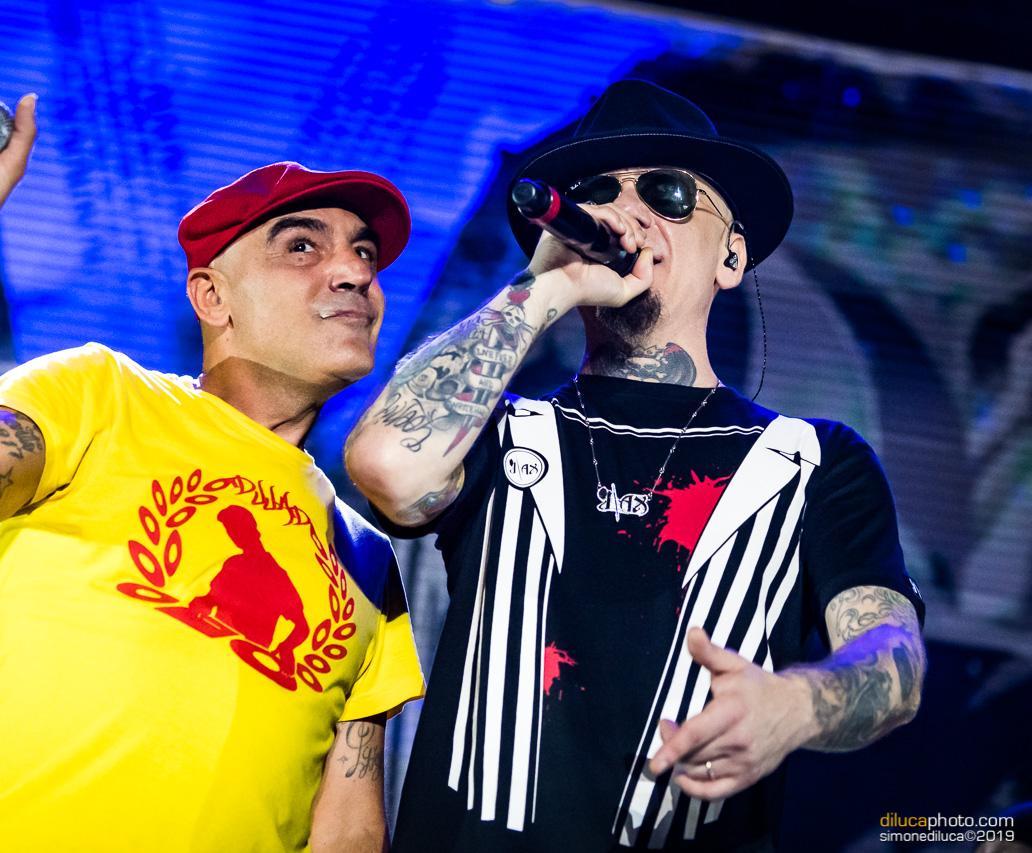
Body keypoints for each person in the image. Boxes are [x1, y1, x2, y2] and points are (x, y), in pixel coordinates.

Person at [346, 79, 926, 851]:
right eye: (597, 192)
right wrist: (543, 284)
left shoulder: (816, 462)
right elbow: (387, 462)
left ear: (732, 254)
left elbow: (893, 663)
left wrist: (796, 705)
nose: (626, 212)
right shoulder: (499, 436)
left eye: (668, 193)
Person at [0, 42, 423, 852]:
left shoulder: (367, 556)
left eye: (364, 253)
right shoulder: (100, 393)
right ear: (211, 296)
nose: (353, 273)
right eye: (303, 246)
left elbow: (348, 828)